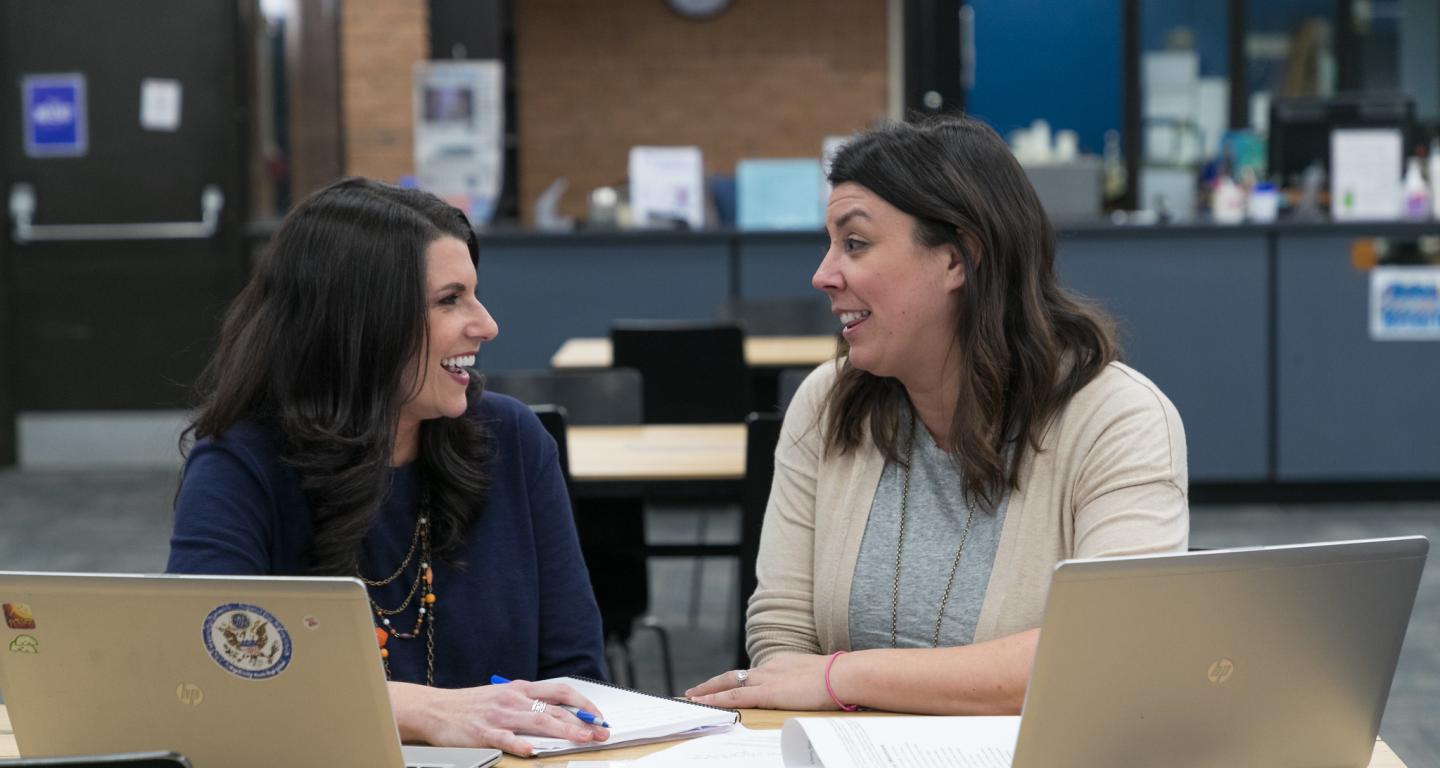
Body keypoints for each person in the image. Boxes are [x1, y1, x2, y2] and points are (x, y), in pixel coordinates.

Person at [687, 116, 1188, 714]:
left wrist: (841, 680)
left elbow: (1109, 651)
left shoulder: (1117, 419)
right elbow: (784, 639)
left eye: (855, 243)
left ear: (959, 259)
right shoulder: (827, 403)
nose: (823, 274)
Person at [167, 178, 609, 755]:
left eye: (473, 294)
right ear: (360, 322)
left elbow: (576, 678)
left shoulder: (513, 440)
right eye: (450, 300)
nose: (486, 324)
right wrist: (429, 712)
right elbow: (204, 676)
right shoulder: (241, 464)